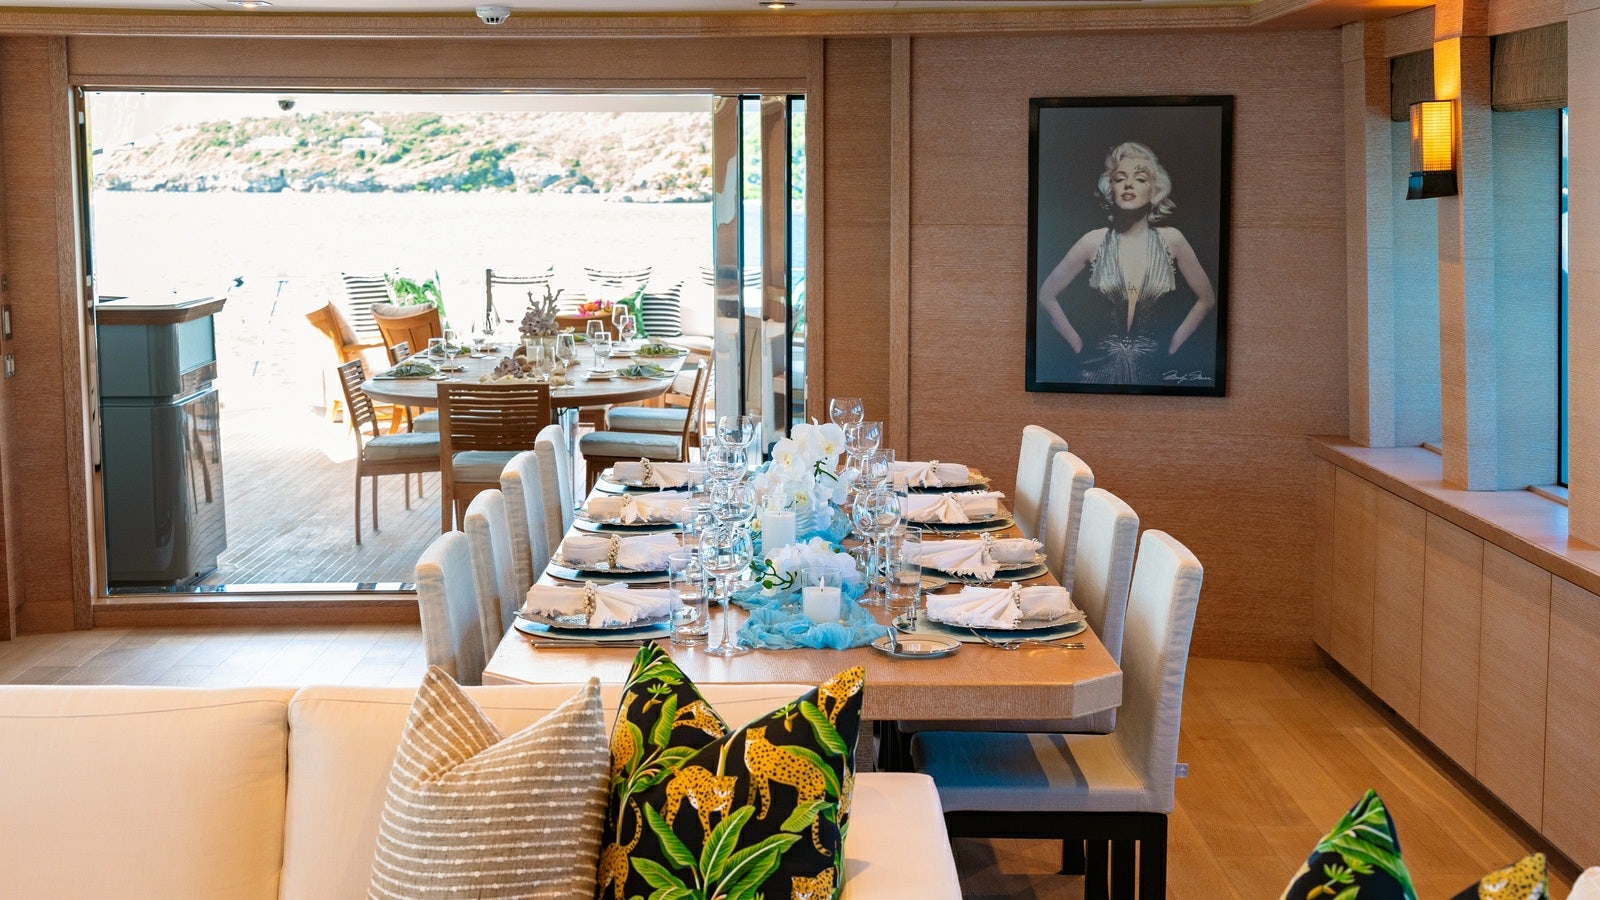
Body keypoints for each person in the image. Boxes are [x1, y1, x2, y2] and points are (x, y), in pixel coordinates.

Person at [1037, 141, 1217, 386]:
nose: (1128, 184)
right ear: (1110, 188)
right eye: (1120, 178)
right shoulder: (1093, 241)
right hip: (1094, 374)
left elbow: (1207, 299)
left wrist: (1173, 347)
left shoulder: (1173, 240)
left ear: (1156, 191)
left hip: (1154, 375)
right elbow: (1046, 295)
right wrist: (1079, 347)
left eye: (1140, 179)